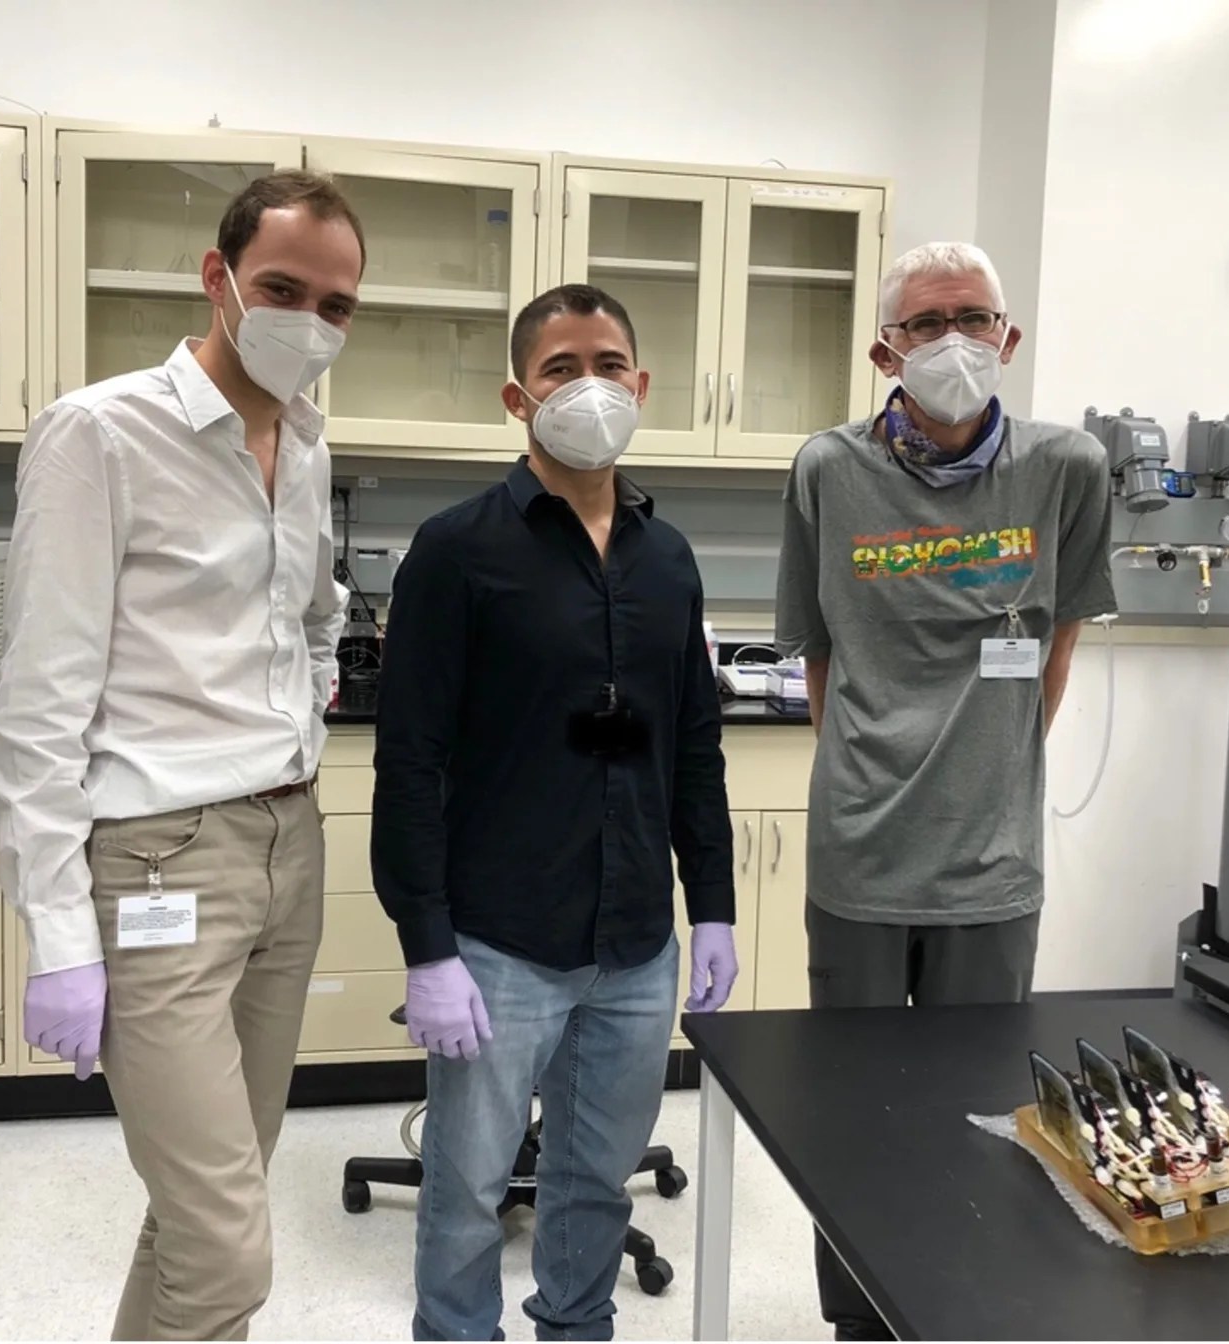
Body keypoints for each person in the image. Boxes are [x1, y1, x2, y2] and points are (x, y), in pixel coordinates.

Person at [0, 171, 362, 1341]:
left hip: (285, 846)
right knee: (227, 1247)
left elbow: (309, 613)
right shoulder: (99, 433)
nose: (310, 320)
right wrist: (56, 937)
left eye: (336, 304)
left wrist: (305, 708)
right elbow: (38, 707)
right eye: (281, 289)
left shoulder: (302, 439)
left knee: (211, 1198)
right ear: (217, 279)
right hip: (160, 863)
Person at [372, 283, 738, 1342]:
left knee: (596, 1181)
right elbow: (409, 762)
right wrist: (425, 945)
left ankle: (577, 1327)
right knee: (466, 1187)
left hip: (633, 944)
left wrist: (706, 904)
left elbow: (691, 746)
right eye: (560, 368)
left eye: (609, 364)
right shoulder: (456, 550)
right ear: (514, 397)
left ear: (642, 384)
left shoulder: (666, 558)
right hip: (499, 945)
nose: (589, 385)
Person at [774, 241, 1117, 1339]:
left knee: (981, 1113)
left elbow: (1056, 645)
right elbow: (819, 657)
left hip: (992, 863)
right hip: (860, 859)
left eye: (972, 318)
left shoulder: (1067, 469)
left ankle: (962, 1309)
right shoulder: (826, 470)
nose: (950, 341)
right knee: (857, 1113)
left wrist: (983, 774)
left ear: (1006, 340)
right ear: (885, 347)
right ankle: (856, 1320)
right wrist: (876, 772)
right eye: (924, 323)